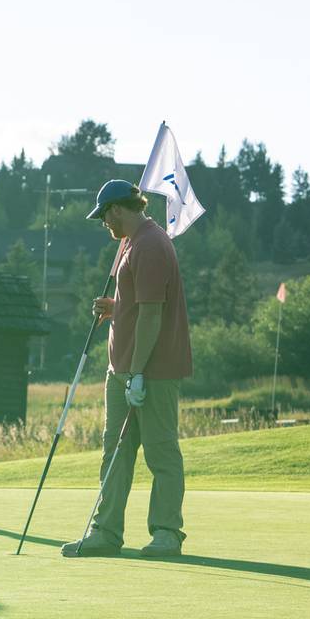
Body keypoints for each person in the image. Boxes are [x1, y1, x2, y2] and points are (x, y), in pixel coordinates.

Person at [64, 180, 192, 558]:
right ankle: (105, 532)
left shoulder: (151, 245)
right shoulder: (130, 243)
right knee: (115, 454)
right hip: (123, 368)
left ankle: (167, 533)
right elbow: (138, 305)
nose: (104, 224)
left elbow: (153, 314)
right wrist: (116, 307)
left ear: (117, 209)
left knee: (160, 452)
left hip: (153, 370)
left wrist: (137, 373)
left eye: (104, 216)